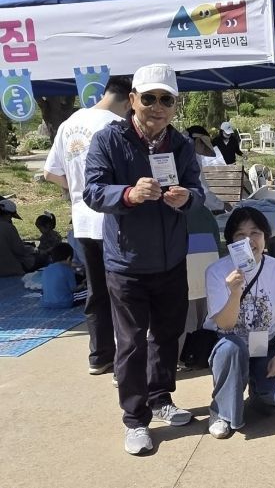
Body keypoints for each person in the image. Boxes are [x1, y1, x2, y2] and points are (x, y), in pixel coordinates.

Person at [83, 63, 204, 456]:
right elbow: (92, 191)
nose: (157, 107)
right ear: (133, 100)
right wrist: (128, 195)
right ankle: (135, 419)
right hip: (127, 264)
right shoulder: (109, 139)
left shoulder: (181, 145)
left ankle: (161, 397)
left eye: (166, 99)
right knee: (132, 343)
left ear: (175, 105)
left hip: (171, 261)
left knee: (168, 334)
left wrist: (187, 198)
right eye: (149, 98)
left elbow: (198, 191)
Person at [44, 75, 132, 377]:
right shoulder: (116, 125)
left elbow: (49, 172)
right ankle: (124, 362)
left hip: (82, 221)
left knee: (96, 290)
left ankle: (99, 356)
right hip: (112, 220)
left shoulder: (70, 123)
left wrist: (77, 190)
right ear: (129, 100)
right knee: (122, 291)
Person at [203, 206, 275, 439]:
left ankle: (251, 394)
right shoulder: (217, 271)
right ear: (231, 242)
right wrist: (234, 292)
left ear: (265, 237)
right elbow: (226, 325)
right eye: (240, 234)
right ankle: (221, 412)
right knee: (232, 348)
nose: (248, 240)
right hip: (229, 343)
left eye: (255, 233)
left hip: (265, 345)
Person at [184, 125, 227, 213]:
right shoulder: (191, 159)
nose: (204, 148)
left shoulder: (186, 153)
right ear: (198, 141)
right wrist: (221, 205)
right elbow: (202, 189)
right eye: (204, 145)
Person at [40, 242, 88, 309]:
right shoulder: (67, 269)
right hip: (65, 302)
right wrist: (84, 284)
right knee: (90, 292)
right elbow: (74, 289)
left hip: (45, 302)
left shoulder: (46, 269)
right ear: (69, 258)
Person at [0, 199, 36, 277]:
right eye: (11, 217)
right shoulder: (9, 227)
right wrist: (31, 249)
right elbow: (20, 250)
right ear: (8, 215)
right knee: (39, 258)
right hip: (9, 270)